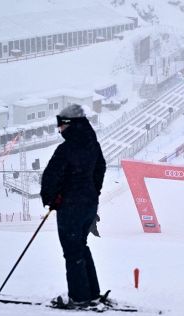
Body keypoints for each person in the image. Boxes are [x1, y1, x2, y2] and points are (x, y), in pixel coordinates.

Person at [40, 104, 106, 309]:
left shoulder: (66, 149)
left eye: (60, 126)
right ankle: (92, 292)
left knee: (72, 250)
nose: (59, 130)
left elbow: (51, 176)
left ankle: (79, 297)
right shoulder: (92, 144)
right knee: (81, 246)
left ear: (69, 124)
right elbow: (100, 169)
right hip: (88, 205)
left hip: (71, 207)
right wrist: (93, 193)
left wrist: (52, 199)